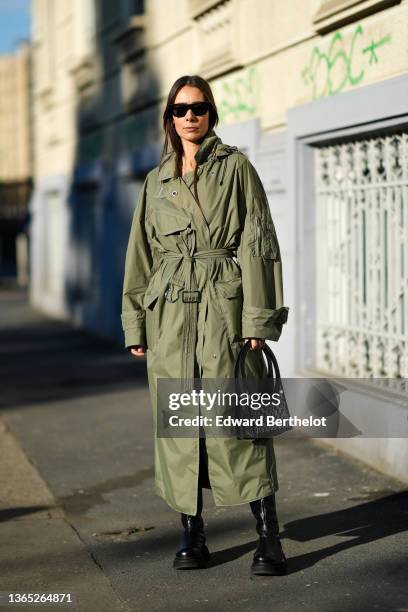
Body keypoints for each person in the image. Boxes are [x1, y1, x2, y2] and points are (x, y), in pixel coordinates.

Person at [121, 75, 289, 575]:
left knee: (239, 425)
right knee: (180, 429)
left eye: (198, 108)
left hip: (223, 309)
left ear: (211, 113)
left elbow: (259, 244)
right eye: (180, 109)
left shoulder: (236, 168)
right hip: (170, 313)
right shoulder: (156, 181)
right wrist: (136, 324)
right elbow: (140, 255)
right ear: (170, 119)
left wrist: (257, 317)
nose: (189, 116)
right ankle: (192, 538)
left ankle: (269, 539)